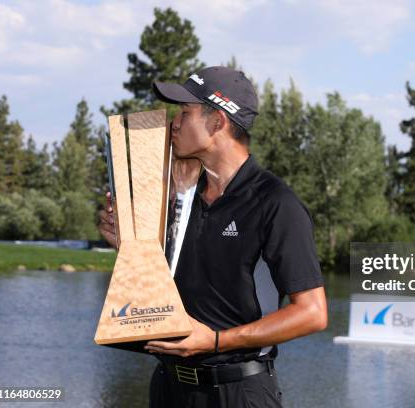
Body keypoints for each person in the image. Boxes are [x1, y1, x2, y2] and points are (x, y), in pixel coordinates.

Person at [98, 66, 328, 408]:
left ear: (218, 122)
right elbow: (175, 289)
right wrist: (131, 249)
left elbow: (312, 313)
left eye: (185, 113)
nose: (173, 123)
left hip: (238, 392)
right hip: (168, 387)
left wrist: (217, 341)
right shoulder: (180, 197)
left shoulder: (275, 203)